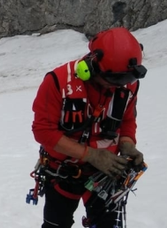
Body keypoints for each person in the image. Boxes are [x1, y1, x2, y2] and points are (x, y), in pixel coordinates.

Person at [31, 27, 147, 228]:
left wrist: (128, 144)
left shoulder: (128, 85)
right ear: (91, 67)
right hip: (63, 173)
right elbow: (43, 131)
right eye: (112, 80)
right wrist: (91, 155)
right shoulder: (58, 81)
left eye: (124, 80)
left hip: (107, 175)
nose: (117, 86)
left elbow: (127, 120)